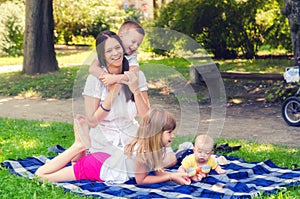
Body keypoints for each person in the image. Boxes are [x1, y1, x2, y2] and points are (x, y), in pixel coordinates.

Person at [79, 30, 176, 168]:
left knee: (169, 158)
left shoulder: (137, 75)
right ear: (102, 56)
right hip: (104, 139)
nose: (115, 53)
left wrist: (135, 89)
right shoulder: (94, 80)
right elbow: (92, 122)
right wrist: (114, 91)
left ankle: (135, 166)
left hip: (131, 134)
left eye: (118, 48)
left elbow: (146, 117)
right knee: (121, 164)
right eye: (109, 51)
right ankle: (133, 167)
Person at [35, 109, 190, 185]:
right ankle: (78, 146)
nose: (173, 136)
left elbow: (158, 171)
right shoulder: (142, 152)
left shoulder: (154, 147)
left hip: (106, 161)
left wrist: (177, 174)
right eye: (169, 132)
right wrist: (170, 176)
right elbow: (141, 180)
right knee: (41, 175)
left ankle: (81, 147)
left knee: (77, 165)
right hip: (97, 167)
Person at [89, 21, 144, 86]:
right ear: (121, 35)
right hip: (104, 85)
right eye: (133, 41)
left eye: (138, 44)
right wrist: (107, 76)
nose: (135, 46)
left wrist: (115, 78)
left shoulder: (131, 57)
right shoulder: (108, 49)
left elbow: (134, 75)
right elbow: (92, 68)